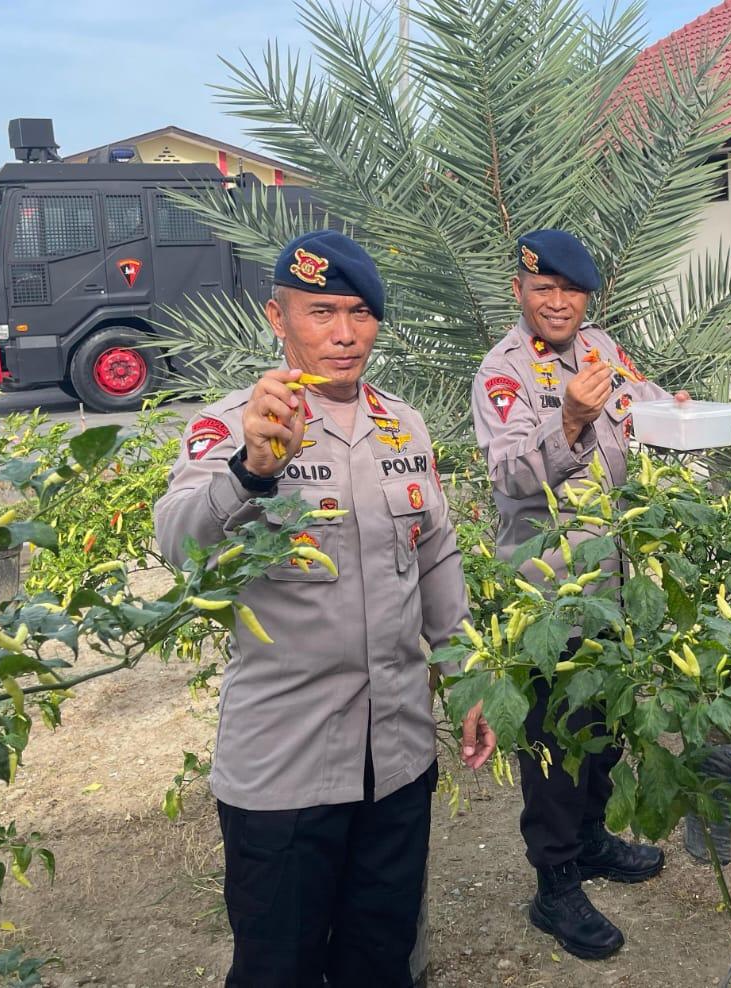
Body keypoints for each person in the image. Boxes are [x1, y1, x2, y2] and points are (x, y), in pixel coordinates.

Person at [154, 230, 495, 987]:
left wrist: (467, 677)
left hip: (399, 757)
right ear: (278, 319)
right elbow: (178, 548)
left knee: (381, 957)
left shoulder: (403, 425)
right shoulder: (237, 426)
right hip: (286, 765)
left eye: (359, 314)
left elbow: (434, 558)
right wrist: (250, 473)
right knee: (278, 967)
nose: (344, 335)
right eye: (320, 313)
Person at [472, 229, 687, 960]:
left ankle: (592, 841)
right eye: (544, 289)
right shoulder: (503, 373)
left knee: (602, 727)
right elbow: (507, 478)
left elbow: (642, 400)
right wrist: (568, 421)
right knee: (554, 740)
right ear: (520, 291)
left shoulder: (602, 346)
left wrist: (673, 408)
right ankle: (555, 882)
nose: (558, 302)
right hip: (550, 597)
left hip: (613, 582)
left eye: (571, 291)